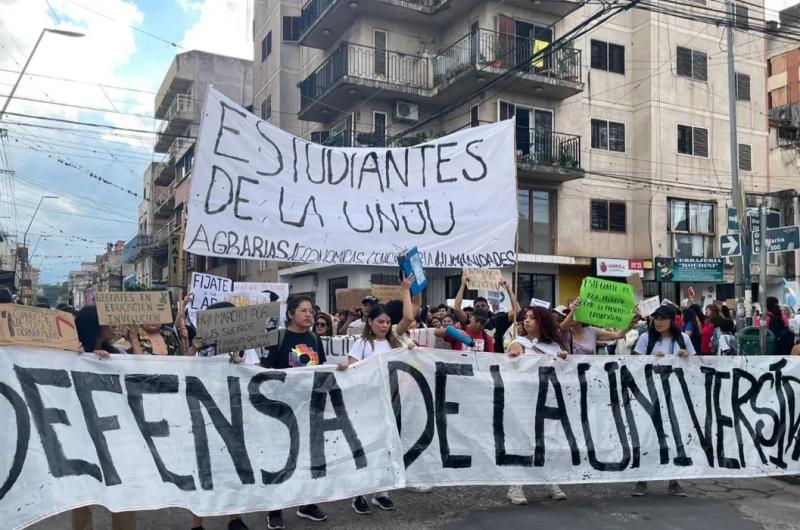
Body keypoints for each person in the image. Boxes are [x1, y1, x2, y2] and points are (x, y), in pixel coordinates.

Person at [262, 295, 328, 529]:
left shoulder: (314, 339)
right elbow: (263, 371)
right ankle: (275, 508)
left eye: (311, 310)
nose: (309, 314)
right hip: (280, 409)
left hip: (307, 407)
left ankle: (306, 503)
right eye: (303, 310)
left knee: (308, 457)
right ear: (290, 314)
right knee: (280, 458)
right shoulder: (277, 338)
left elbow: (323, 369)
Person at [338, 303, 407, 514]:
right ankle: (359, 493)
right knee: (365, 446)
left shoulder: (395, 343)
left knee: (387, 446)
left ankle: (381, 492)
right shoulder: (362, 344)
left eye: (387, 322)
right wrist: (346, 368)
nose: (384, 326)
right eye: (380, 322)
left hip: (390, 401)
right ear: (370, 322)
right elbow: (353, 368)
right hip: (367, 403)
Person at [505, 306, 568, 504]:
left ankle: (550, 480)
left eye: (533, 318)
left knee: (549, 440)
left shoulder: (556, 347)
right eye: (526, 317)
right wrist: (515, 356)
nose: (527, 320)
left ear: (543, 322)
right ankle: (516, 486)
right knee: (523, 440)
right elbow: (513, 351)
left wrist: (563, 360)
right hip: (524, 400)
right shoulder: (520, 342)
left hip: (548, 399)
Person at [631, 305, 693, 497]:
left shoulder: (684, 339)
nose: (658, 322)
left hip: (675, 395)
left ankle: (673, 480)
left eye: (662, 318)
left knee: (675, 436)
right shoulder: (645, 338)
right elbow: (634, 363)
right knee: (647, 435)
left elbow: (694, 366)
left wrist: (685, 356)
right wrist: (650, 359)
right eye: (655, 318)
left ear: (672, 320)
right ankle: (642, 479)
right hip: (650, 395)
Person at [559, 298, 635, 354]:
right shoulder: (565, 333)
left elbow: (619, 335)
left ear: (582, 317)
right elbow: (562, 327)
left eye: (575, 313)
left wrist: (630, 322)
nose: (569, 316)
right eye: (568, 314)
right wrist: (573, 310)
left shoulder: (593, 331)